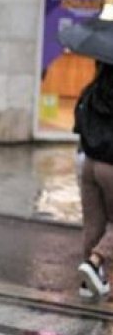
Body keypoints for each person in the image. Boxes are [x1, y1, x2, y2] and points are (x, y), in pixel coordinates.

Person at [74, 61, 113, 300]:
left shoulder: (90, 91)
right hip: (112, 166)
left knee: (93, 224)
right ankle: (95, 260)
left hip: (88, 164)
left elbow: (78, 126)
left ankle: (89, 284)